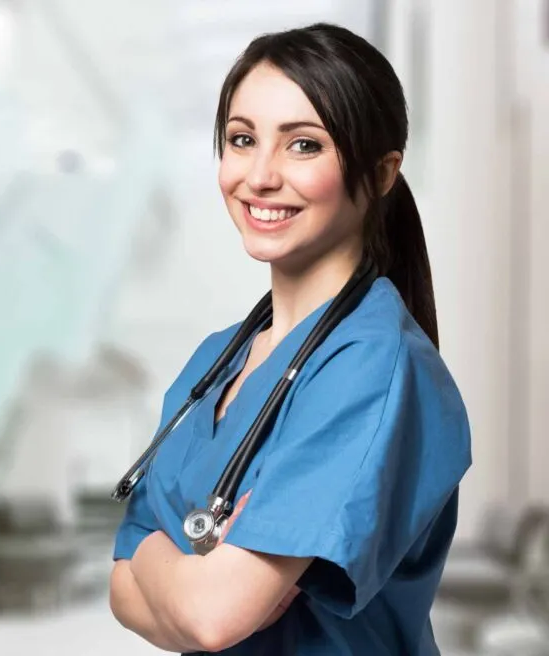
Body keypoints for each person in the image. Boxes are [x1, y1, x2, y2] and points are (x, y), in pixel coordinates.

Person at [108, 23, 472, 655]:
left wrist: (156, 557)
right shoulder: (216, 362)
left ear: (384, 172)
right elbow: (119, 590)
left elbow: (212, 617)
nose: (261, 176)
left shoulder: (375, 368)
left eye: (304, 145)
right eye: (242, 140)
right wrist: (174, 575)